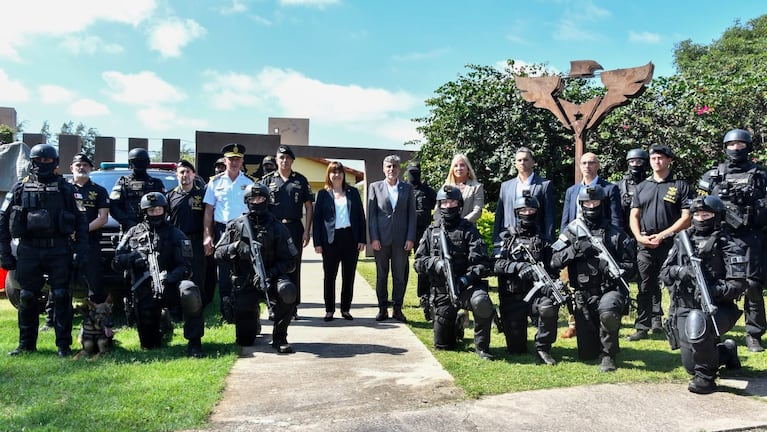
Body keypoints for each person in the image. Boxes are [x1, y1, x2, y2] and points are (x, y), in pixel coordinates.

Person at [0, 144, 89, 357]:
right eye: (39, 160)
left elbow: (81, 221)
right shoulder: (20, 187)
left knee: (61, 296)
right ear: (32, 161)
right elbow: (3, 218)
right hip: (29, 249)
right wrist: (4, 250)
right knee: (28, 296)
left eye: (47, 161)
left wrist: (81, 250)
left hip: (58, 249)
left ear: (55, 162)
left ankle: (63, 346)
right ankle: (26, 345)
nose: (43, 164)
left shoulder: (67, 189)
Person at [660, 195, 747, 394]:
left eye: (706, 214)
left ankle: (706, 379)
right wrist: (682, 272)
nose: (700, 218)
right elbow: (664, 273)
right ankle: (725, 352)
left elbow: (739, 284)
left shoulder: (728, 243)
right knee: (691, 365)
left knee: (697, 325)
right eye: (697, 214)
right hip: (685, 305)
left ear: (716, 216)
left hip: (717, 308)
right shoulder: (682, 240)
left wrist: (713, 289)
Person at [697, 129, 767, 353]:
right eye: (732, 144)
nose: (736, 148)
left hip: (751, 236)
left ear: (748, 147)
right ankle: (712, 328)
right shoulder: (713, 175)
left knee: (753, 285)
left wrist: (751, 209)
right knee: (713, 282)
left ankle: (754, 334)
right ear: (725, 147)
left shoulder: (760, 175)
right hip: (721, 237)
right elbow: (698, 204)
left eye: (740, 144)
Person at [551, 185, 635, 372]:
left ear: (602, 204)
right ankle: (602, 342)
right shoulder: (571, 231)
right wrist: (575, 250)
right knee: (586, 354)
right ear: (581, 204)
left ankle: (608, 355)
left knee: (608, 312)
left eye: (595, 201)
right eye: (587, 202)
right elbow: (554, 260)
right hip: (583, 294)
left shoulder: (615, 233)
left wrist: (614, 268)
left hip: (609, 290)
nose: (591, 205)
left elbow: (631, 267)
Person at [112, 192, 204, 357]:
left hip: (171, 286)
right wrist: (132, 258)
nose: (155, 213)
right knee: (149, 345)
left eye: (158, 210)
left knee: (190, 291)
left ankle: (195, 343)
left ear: (165, 210)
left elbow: (186, 267)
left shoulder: (176, 234)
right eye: (151, 210)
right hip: (144, 290)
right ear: (144, 212)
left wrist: (169, 277)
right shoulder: (133, 232)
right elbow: (116, 262)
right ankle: (163, 322)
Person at [214, 183, 298, 353]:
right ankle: (254, 320)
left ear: (267, 200)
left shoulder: (277, 227)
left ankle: (280, 337)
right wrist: (235, 247)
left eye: (260, 198)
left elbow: (290, 261)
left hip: (271, 278)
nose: (256, 202)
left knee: (288, 291)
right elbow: (217, 253)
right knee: (245, 340)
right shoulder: (235, 225)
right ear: (247, 201)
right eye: (253, 199)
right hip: (245, 281)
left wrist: (271, 273)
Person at [414, 185, 495, 360]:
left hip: (467, 287)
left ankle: (481, 347)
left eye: (452, 202)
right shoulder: (431, 231)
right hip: (442, 290)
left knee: (481, 301)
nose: (449, 206)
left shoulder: (468, 229)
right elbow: (418, 263)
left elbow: (483, 264)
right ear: (439, 205)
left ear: (459, 204)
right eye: (444, 202)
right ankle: (456, 324)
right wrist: (435, 263)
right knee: (443, 346)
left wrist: (465, 279)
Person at [627, 144, 692, 341]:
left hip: (671, 245)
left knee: (675, 286)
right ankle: (642, 326)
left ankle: (676, 325)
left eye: (661, 158)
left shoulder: (679, 185)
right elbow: (634, 215)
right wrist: (639, 237)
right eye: (654, 158)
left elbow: (687, 217)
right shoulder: (642, 186)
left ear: (669, 160)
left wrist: (663, 235)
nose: (657, 161)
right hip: (645, 243)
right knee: (645, 286)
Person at [559, 152, 622, 339]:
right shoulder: (572, 191)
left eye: (591, 162)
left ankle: (603, 321)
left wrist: (614, 243)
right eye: (584, 163)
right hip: (575, 243)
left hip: (599, 243)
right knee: (573, 283)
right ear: (579, 166)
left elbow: (615, 218)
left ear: (598, 165)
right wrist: (564, 242)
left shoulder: (609, 189)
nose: (587, 166)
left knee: (599, 283)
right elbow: (566, 219)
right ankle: (574, 323)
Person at [493, 192, 560, 364]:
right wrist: (518, 266)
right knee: (516, 350)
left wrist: (550, 285)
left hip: (536, 296)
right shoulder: (506, 237)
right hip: (512, 296)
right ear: (517, 212)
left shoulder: (544, 240)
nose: (527, 213)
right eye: (523, 209)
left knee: (549, 307)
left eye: (531, 209)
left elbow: (552, 268)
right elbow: (495, 264)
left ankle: (543, 347)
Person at [260, 144, 314, 320]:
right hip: (273, 229)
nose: (284, 161)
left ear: (292, 160)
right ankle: (273, 305)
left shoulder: (300, 180)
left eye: (287, 158)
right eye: (281, 158)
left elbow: (308, 205)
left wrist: (307, 231)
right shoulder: (267, 181)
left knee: (293, 267)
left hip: (294, 228)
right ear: (276, 160)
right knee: (272, 267)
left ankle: (292, 307)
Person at [203, 143, 254, 321]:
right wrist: (207, 236)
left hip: (242, 231)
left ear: (242, 161)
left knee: (243, 270)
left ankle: (242, 308)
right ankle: (226, 311)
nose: (234, 162)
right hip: (222, 230)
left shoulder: (249, 183)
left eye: (237, 159)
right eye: (231, 159)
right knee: (223, 272)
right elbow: (208, 211)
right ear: (225, 161)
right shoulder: (214, 182)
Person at [312, 162, 366, 321]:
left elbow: (361, 218)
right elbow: (317, 220)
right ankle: (329, 310)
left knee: (348, 276)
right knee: (330, 276)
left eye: (339, 172)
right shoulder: (323, 194)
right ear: (329, 175)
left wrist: (362, 239)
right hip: (330, 241)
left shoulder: (353, 192)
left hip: (350, 239)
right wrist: (318, 243)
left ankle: (345, 309)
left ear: (343, 175)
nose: (336, 175)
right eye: (333, 172)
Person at [368, 155, 417, 322]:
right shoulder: (374, 187)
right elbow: (372, 215)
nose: (391, 169)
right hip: (381, 240)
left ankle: (397, 309)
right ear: (383, 168)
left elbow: (412, 215)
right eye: (388, 166)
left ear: (399, 169)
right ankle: (382, 309)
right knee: (381, 276)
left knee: (399, 276)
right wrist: (374, 237)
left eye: (395, 166)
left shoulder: (407, 188)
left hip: (401, 240)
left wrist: (410, 237)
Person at [167, 160, 210, 308]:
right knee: (178, 273)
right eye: (182, 172)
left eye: (188, 172)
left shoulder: (202, 194)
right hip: (177, 243)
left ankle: (198, 306)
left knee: (198, 274)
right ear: (177, 175)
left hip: (196, 241)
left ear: (194, 174)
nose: (185, 175)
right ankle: (178, 304)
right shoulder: (170, 196)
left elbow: (209, 218)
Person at [493, 147, 555, 244]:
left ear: (533, 162)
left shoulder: (544, 185)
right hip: (510, 239)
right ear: (515, 163)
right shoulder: (506, 186)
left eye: (526, 160)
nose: (522, 162)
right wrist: (496, 239)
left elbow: (549, 217)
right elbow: (499, 215)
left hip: (536, 240)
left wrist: (549, 241)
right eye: (519, 160)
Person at [405, 161, 437, 320]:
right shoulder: (402, 189)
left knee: (423, 266)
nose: (413, 174)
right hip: (405, 232)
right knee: (401, 266)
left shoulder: (428, 191)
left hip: (423, 233)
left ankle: (424, 296)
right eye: (411, 171)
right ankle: (399, 299)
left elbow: (435, 207)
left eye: (416, 171)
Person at [109, 148, 165, 232]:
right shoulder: (122, 182)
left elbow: (164, 206)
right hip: (128, 229)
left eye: (142, 162)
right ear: (130, 163)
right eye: (136, 162)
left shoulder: (156, 183)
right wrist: (127, 222)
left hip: (153, 228)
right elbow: (113, 206)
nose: (139, 165)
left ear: (148, 163)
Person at [439, 153, 485, 224]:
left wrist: (461, 223)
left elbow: (477, 211)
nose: (459, 168)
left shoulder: (476, 187)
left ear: (468, 168)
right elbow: (438, 209)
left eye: (462, 165)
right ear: (452, 169)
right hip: (447, 228)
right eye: (456, 166)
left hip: (467, 228)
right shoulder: (446, 186)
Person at [617, 149, 650, 231]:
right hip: (624, 231)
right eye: (632, 161)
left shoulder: (652, 185)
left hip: (646, 231)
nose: (635, 164)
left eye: (639, 162)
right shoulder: (619, 186)